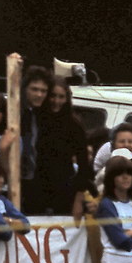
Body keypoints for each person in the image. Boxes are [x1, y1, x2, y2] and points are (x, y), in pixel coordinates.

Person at [36, 76, 89, 218]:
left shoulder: (75, 125)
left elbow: (84, 165)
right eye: (53, 96)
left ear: (67, 99)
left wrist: (78, 199)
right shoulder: (36, 119)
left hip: (64, 189)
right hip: (35, 188)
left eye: (61, 97)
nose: (56, 101)